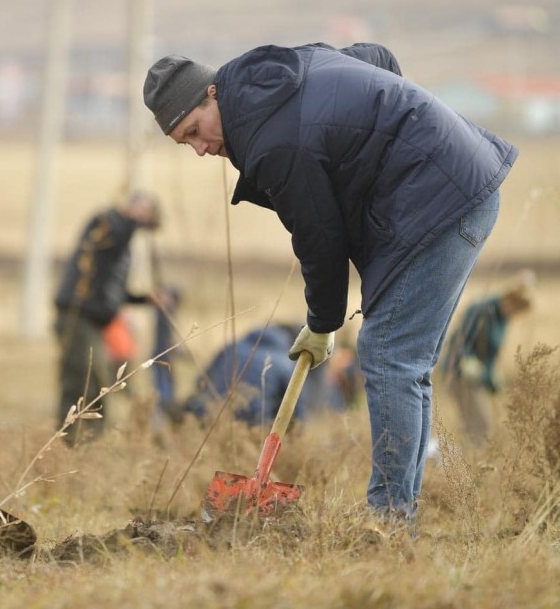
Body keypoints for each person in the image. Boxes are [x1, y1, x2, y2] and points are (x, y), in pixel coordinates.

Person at [144, 42, 516, 525]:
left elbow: (319, 236)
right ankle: (398, 511)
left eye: (195, 130)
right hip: (460, 181)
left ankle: (388, 520)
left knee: (387, 355)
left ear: (212, 93)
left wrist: (321, 324)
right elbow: (375, 59)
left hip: (442, 200)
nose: (199, 148)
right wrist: (387, 140)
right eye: (183, 142)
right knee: (404, 360)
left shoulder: (270, 142)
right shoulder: (284, 72)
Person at [53, 192, 165, 444]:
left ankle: (88, 442)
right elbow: (116, 229)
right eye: (142, 213)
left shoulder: (121, 245)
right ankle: (72, 442)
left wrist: (146, 299)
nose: (141, 221)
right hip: (77, 315)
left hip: (93, 322)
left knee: (96, 381)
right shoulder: (105, 224)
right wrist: (133, 215)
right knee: (81, 380)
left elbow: (113, 292)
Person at [438, 269, 536, 446]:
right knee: (479, 424)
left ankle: (459, 462)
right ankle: (451, 462)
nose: (515, 314)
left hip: (477, 378)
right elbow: (460, 342)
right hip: (459, 374)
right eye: (516, 307)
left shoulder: (502, 319)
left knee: (478, 425)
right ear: (510, 300)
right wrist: (467, 361)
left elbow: (489, 357)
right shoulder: (482, 310)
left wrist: (492, 378)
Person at [182, 323, 331, 429]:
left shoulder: (229, 347)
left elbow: (200, 382)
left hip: (213, 419)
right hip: (255, 425)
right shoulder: (285, 363)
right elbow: (296, 412)